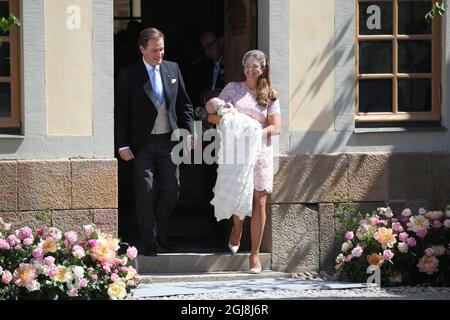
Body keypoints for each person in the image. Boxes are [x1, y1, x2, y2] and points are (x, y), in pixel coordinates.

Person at [117, 27, 196, 256]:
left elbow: (185, 104)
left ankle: (161, 233)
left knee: (172, 189)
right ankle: (149, 241)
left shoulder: (173, 68)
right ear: (142, 49)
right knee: (146, 192)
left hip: (169, 141)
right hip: (142, 145)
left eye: (161, 49)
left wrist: (190, 131)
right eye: (154, 50)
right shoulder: (129, 73)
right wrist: (122, 144)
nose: (159, 54)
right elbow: (122, 112)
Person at [205, 50, 282, 274]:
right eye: (248, 65)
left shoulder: (270, 94)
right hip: (238, 151)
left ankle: (254, 255)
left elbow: (276, 126)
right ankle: (237, 228)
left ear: (263, 69)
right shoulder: (232, 89)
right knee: (241, 192)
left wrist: (258, 132)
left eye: (256, 66)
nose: (251, 69)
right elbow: (212, 116)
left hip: (261, 152)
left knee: (259, 201)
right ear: (243, 67)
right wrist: (228, 118)